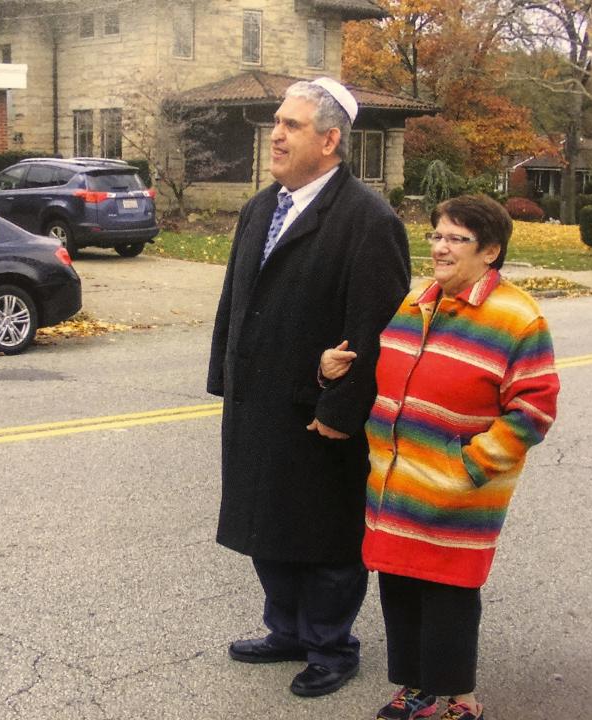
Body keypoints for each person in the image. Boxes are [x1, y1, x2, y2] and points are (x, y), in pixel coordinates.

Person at [207, 77, 411, 698]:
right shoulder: (262, 206)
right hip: (258, 402)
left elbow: (376, 331)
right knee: (268, 524)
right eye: (276, 122)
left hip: (318, 412)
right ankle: (288, 630)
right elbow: (234, 301)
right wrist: (226, 375)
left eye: (290, 126)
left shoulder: (367, 221)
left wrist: (342, 411)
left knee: (323, 534)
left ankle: (330, 644)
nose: (275, 134)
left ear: (329, 141)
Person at [319, 194, 560, 719]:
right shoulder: (416, 302)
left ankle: (459, 701)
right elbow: (378, 374)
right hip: (395, 485)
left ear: (490, 251)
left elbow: (534, 410)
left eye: (457, 238)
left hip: (458, 492)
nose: (441, 248)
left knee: (448, 593)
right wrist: (329, 371)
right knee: (401, 587)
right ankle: (416, 688)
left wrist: (467, 466)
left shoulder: (518, 317)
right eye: (436, 236)